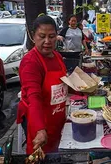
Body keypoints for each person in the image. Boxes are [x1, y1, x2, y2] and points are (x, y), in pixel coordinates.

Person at [16, 15, 68, 154]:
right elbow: (34, 97)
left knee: (57, 152)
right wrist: (40, 129)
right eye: (42, 36)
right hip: (40, 119)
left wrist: (83, 90)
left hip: (57, 116)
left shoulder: (57, 56)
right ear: (33, 36)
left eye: (51, 36)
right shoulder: (31, 62)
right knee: (42, 156)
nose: (47, 41)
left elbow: (64, 83)